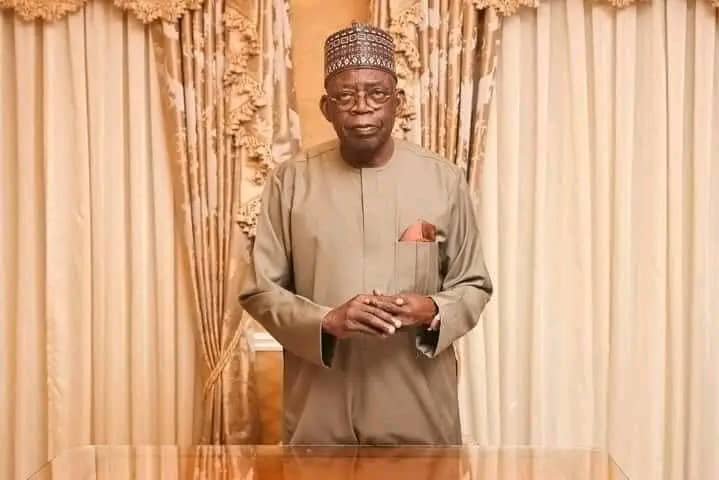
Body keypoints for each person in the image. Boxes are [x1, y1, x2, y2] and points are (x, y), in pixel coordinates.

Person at [239, 22, 492, 445]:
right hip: (318, 416)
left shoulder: (443, 180)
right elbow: (260, 291)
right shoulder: (290, 182)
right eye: (345, 96)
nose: (362, 108)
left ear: (398, 102)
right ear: (326, 107)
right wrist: (327, 321)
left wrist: (431, 308)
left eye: (377, 93)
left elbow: (474, 284)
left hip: (418, 414)